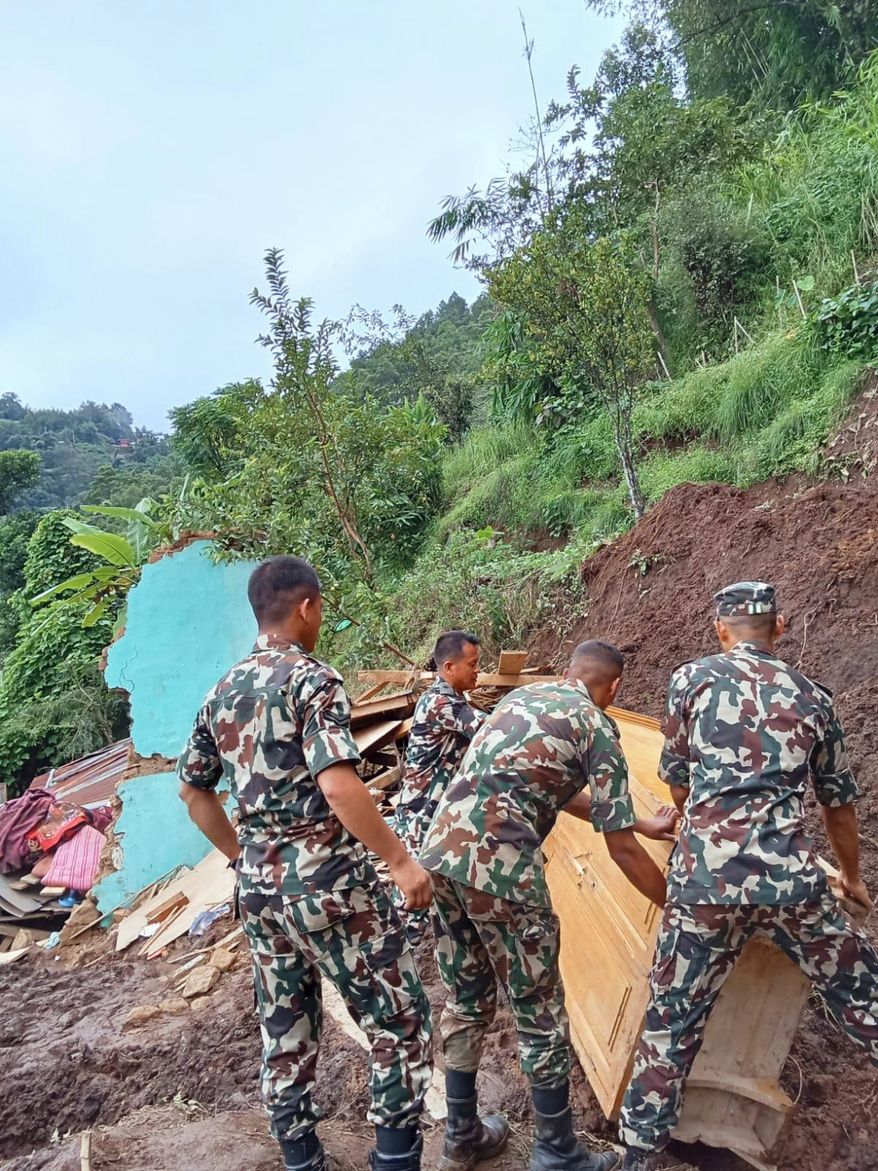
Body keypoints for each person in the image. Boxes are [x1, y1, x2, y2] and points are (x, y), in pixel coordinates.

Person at [177, 556, 434, 1171]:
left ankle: (301, 1161)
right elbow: (340, 785)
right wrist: (399, 860)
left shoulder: (222, 691)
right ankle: (394, 1160)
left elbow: (193, 793)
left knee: (285, 1030)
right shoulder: (312, 679)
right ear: (307, 607)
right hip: (330, 888)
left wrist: (245, 859)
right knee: (397, 1020)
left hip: (262, 897)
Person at [617, 581, 878, 1171]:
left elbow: (677, 781)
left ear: (720, 629)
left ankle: (638, 1156)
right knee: (863, 995)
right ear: (780, 627)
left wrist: (702, 822)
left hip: (704, 884)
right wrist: (854, 880)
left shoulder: (691, 680)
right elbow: (839, 806)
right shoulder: (814, 696)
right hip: (790, 883)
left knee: (671, 1020)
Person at [419, 640, 678, 1171]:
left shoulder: (523, 701)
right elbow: (621, 849)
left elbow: (549, 785)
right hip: (501, 869)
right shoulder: (596, 725)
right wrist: (674, 906)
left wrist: (637, 818)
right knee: (538, 1010)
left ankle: (461, 1134)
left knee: (466, 997)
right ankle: (557, 1151)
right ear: (614, 688)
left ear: (568, 672)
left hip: (441, 855)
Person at [393, 630, 484, 937]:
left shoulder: (452, 700)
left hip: (436, 815)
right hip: (422, 816)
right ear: (449, 668)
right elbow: (489, 730)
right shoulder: (440, 703)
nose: (478, 670)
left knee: (441, 898)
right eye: (473, 664)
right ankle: (394, 969)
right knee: (414, 904)